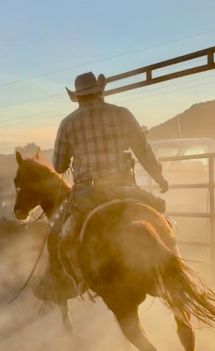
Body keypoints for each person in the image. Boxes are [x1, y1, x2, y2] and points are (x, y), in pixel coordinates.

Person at [35, 71, 170, 301]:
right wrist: (159, 178)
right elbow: (143, 149)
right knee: (160, 211)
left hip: (88, 193)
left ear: (77, 97)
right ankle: (171, 254)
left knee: (60, 232)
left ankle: (78, 279)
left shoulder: (68, 123)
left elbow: (58, 165)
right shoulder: (122, 114)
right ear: (100, 91)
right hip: (125, 186)